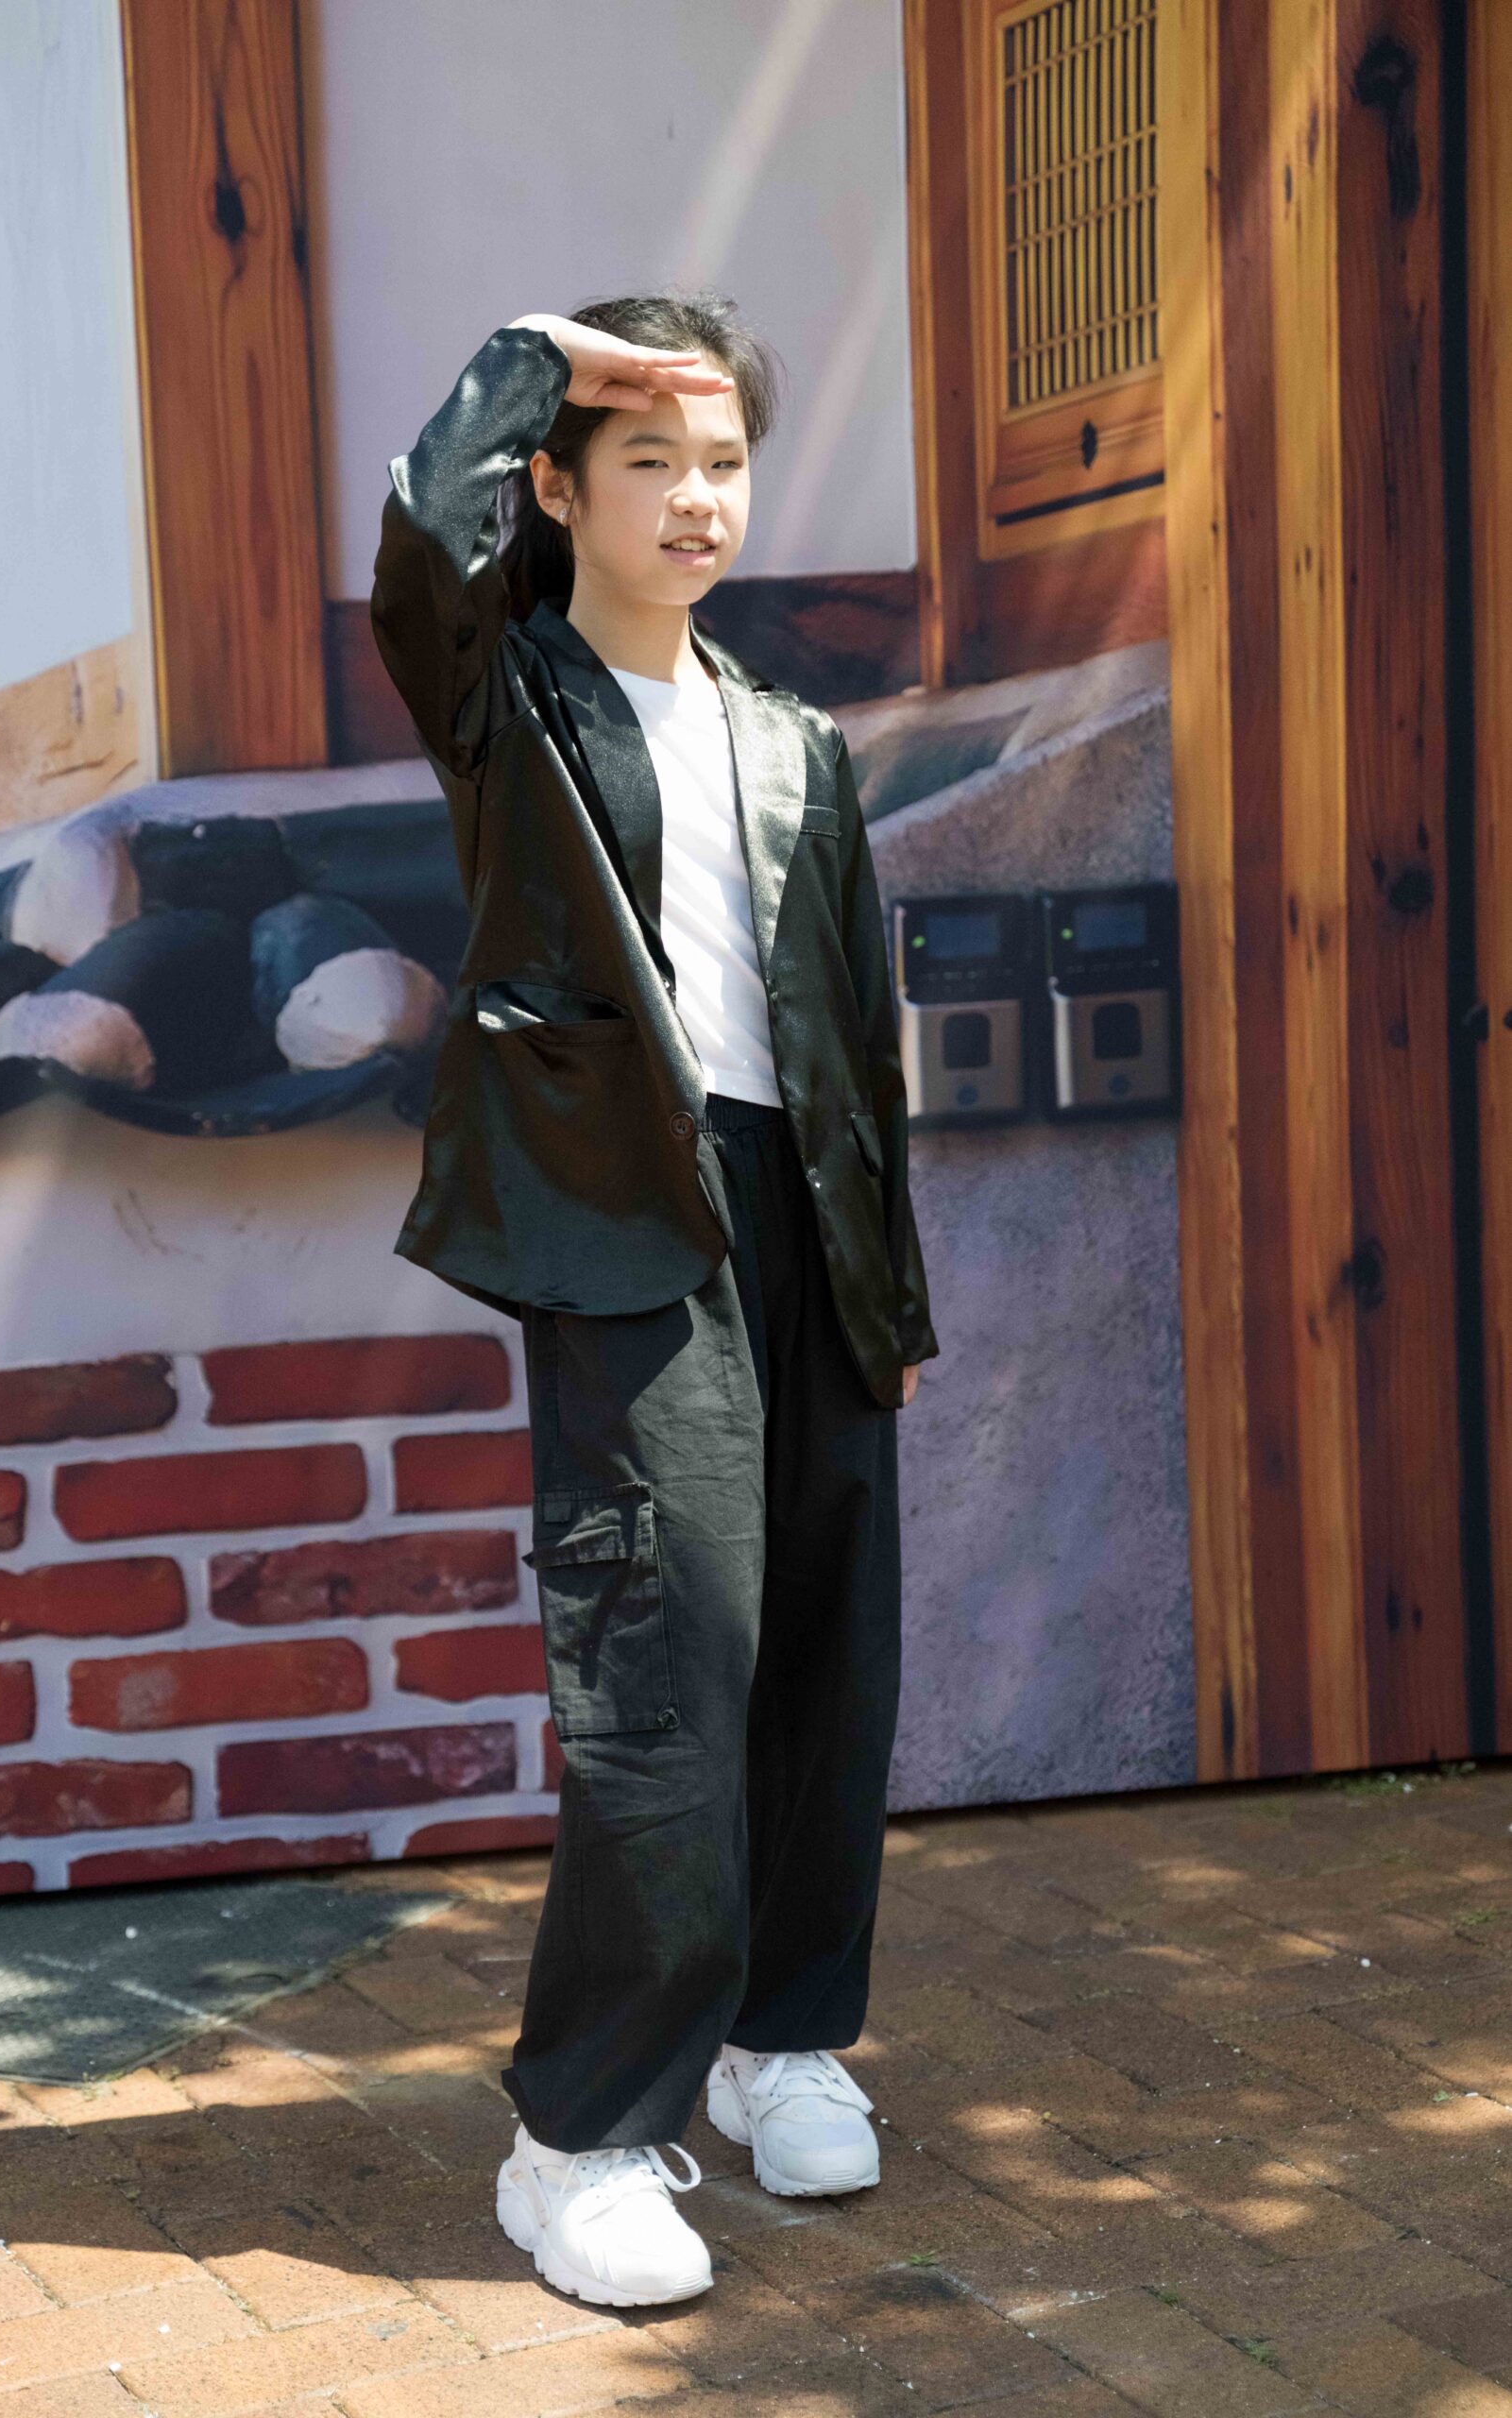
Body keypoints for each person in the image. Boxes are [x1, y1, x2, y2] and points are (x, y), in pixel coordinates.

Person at [370, 292, 939, 2310]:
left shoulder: (795, 742)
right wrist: (545, 353)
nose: (698, 498)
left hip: (812, 1223)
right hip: (630, 1223)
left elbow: (853, 1052)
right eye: (650, 460)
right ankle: (583, 2137)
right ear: (560, 487)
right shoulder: (507, 696)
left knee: (826, 1654)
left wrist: (883, 1293)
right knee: (668, 1656)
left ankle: (784, 2037)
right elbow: (419, 548)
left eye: (723, 462)